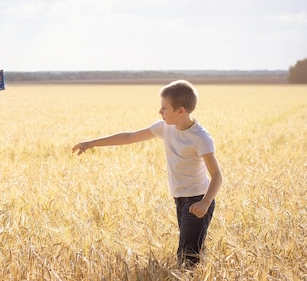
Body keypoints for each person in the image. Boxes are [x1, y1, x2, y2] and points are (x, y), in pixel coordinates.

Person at [72, 80, 222, 267]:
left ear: (180, 110)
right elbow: (130, 136)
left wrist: (205, 202)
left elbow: (217, 175)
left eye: (164, 108)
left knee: (186, 258)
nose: (160, 112)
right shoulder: (164, 127)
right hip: (180, 198)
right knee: (191, 250)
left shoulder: (201, 138)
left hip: (198, 199)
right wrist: (92, 142)